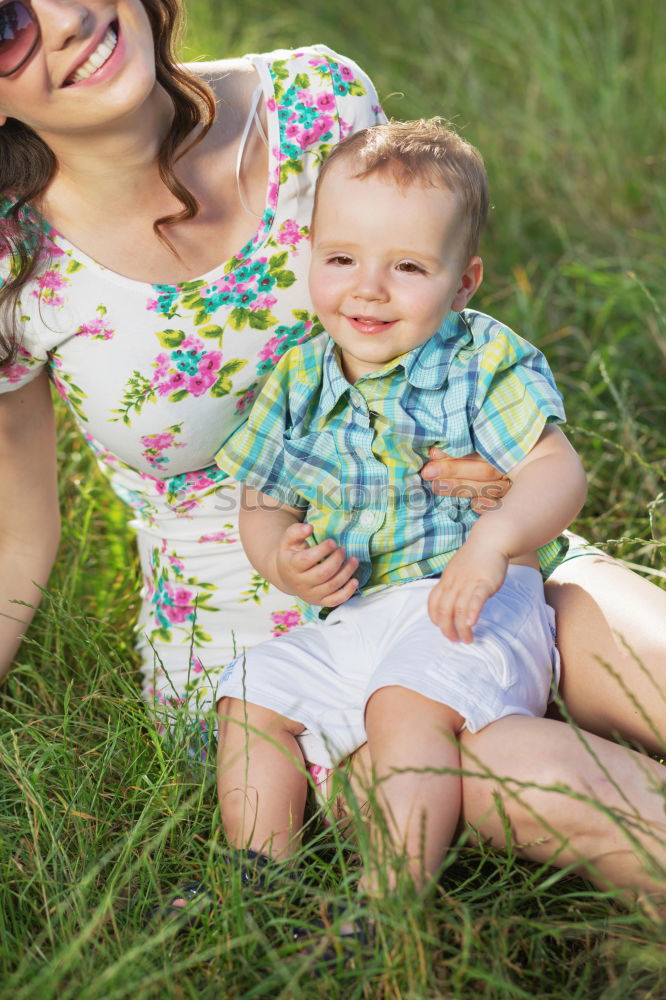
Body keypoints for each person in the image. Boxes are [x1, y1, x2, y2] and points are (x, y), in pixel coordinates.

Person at [0, 0, 664, 909]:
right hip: (278, 649)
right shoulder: (12, 256)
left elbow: (444, 311)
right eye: (6, 19)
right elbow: (12, 541)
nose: (69, 17)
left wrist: (501, 511)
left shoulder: (316, 99)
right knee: (531, 765)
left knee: (641, 652)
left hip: (479, 553)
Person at [214, 118, 589, 897]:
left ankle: (386, 904)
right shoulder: (297, 379)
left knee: (404, 704)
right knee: (250, 690)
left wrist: (494, 542)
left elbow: (557, 471)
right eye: (342, 258)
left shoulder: (481, 357)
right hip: (360, 614)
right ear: (309, 255)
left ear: (463, 281)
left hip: (471, 600)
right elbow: (261, 501)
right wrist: (281, 557)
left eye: (409, 266)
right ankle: (259, 878)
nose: (368, 288)